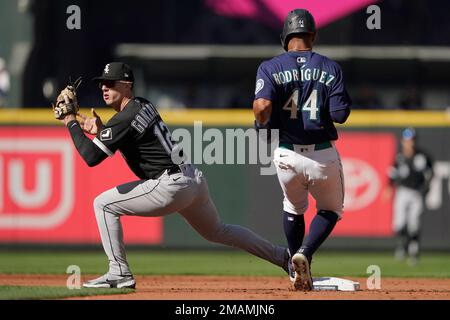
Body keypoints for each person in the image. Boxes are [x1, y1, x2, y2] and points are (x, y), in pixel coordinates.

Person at [57, 62, 289, 289]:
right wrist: (101, 130)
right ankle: (282, 257)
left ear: (127, 85)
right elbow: (133, 139)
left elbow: (90, 157)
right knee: (219, 231)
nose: (104, 88)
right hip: (192, 180)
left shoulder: (124, 118)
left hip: (170, 185)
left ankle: (119, 272)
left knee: (103, 204)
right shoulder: (143, 104)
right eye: (102, 84)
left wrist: (71, 122)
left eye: (111, 83)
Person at [253, 9, 351, 291]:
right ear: (313, 35)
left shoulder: (269, 67)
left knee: (293, 208)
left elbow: (262, 109)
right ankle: (305, 252)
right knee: (331, 209)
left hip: (286, 154)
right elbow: (340, 114)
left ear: (285, 37)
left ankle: (296, 273)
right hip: (321, 154)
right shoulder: (330, 68)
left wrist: (263, 117)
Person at [386, 128, 433, 265]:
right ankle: (401, 246)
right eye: (407, 140)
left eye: (411, 140)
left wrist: (426, 187)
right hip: (402, 192)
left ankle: (414, 250)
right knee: (399, 223)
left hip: (416, 192)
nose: (409, 143)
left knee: (414, 223)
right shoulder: (399, 156)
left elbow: (430, 174)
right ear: (403, 141)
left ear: (415, 141)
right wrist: (389, 187)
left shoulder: (422, 156)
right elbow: (392, 174)